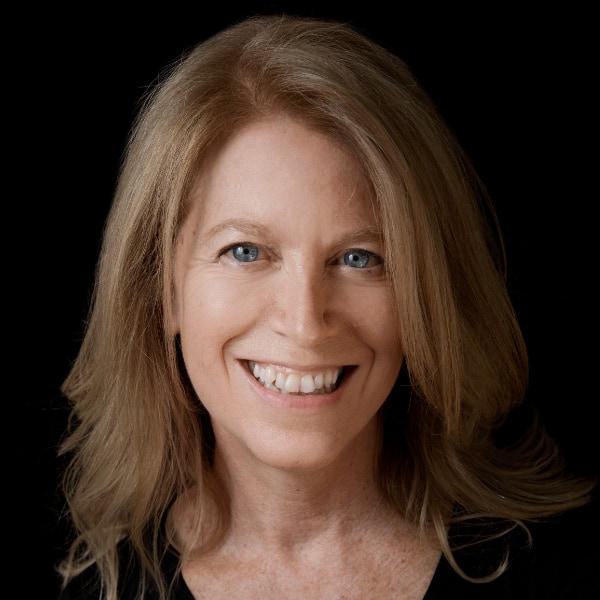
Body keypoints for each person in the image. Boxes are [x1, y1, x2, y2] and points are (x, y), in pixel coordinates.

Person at [55, 13, 598, 600]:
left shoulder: (560, 572)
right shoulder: (92, 588)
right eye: (245, 251)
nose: (306, 322)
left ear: (425, 294)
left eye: (360, 258)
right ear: (162, 291)